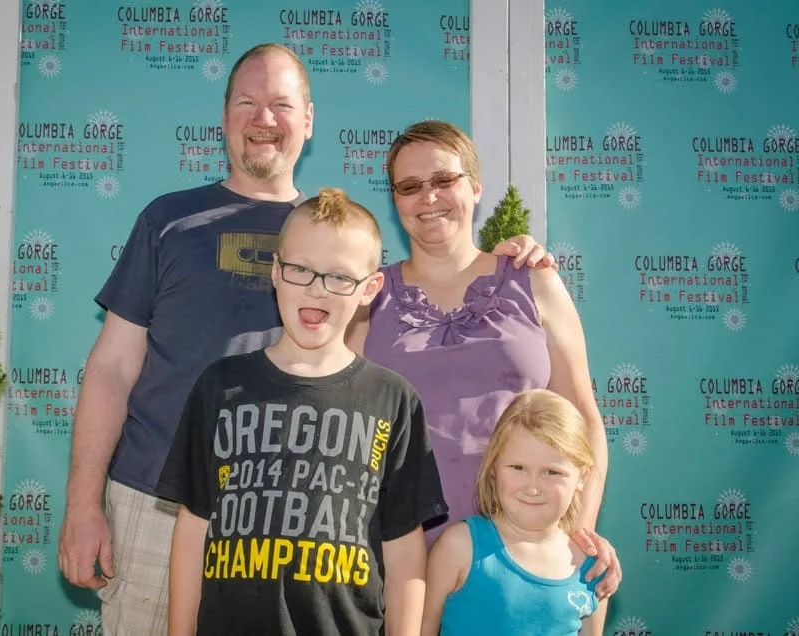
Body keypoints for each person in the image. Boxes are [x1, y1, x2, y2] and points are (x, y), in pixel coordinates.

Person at [57, 43, 549, 634]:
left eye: (282, 105)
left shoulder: (336, 233)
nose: (264, 118)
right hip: (155, 505)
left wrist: (503, 262)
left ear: (309, 120)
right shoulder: (167, 221)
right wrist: (83, 504)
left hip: (299, 526)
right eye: (247, 102)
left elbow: (389, 344)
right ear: (224, 115)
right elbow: (111, 367)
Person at [156, 188, 447, 635]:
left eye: (340, 277)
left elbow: (404, 548)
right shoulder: (220, 386)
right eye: (300, 270)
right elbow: (194, 526)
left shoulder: (394, 400)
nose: (316, 288)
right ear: (275, 271)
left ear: (370, 288)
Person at [350, 120, 620, 597]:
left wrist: (575, 536)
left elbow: (584, 420)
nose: (429, 197)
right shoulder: (368, 298)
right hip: (396, 562)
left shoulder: (534, 280)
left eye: (444, 179)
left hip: (522, 559)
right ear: (395, 201)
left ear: (475, 187)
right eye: (410, 186)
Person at [421, 389, 607, 635]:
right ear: (494, 467)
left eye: (552, 472)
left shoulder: (593, 568)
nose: (533, 487)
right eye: (518, 468)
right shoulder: (458, 547)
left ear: (582, 477)